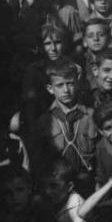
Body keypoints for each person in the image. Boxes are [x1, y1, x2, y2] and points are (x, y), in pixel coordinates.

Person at [32, 58, 98, 191]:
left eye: (70, 84)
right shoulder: (44, 121)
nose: (66, 90)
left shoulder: (92, 116)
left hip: (88, 183)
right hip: (58, 186)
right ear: (50, 89)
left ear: (77, 84)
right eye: (60, 85)